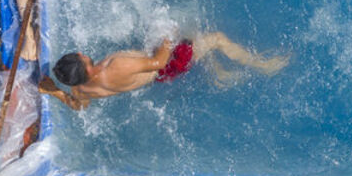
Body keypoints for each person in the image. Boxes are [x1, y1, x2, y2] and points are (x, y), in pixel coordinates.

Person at [38, 32, 289, 110]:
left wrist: (54, 92)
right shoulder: (117, 66)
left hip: (154, 76)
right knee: (217, 39)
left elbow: (79, 107)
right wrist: (167, 37)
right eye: (80, 56)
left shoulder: (80, 88)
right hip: (168, 65)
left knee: (194, 34)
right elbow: (158, 62)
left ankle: (219, 73)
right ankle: (262, 65)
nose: (81, 52)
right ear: (85, 64)